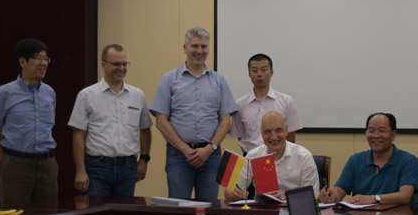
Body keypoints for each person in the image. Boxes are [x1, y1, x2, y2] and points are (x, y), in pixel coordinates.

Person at [150, 28, 238, 199]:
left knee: (208, 208)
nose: (199, 51)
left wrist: (209, 149)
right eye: (195, 46)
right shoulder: (169, 79)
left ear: (208, 49)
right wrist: (184, 149)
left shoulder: (219, 81)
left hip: (211, 156)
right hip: (178, 156)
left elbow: (225, 121)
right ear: (185, 48)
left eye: (203, 47)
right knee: (179, 209)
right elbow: (161, 121)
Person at [68, 44, 152, 197]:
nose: (121, 68)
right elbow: (78, 135)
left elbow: (145, 129)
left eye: (124, 64)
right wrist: (80, 171)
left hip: (128, 167)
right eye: (116, 64)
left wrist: (144, 160)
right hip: (97, 167)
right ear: (103, 64)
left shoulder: (137, 95)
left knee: (124, 210)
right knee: (97, 210)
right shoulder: (87, 95)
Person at [0, 38, 58, 208]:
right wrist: (7, 161)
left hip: (47, 164)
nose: (43, 63)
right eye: (38, 58)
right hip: (16, 164)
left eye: (46, 59)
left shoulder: (50, 92)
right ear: (22, 62)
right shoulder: (4, 93)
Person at [320, 113, 418, 206]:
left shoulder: (408, 160)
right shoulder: (355, 160)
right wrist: (331, 195)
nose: (375, 136)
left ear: (393, 135)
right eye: (371, 131)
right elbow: (339, 192)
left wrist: (373, 199)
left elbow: (405, 196)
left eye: (381, 131)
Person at [224, 111, 319, 203]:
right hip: (263, 211)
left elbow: (312, 196)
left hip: (294, 211)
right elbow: (229, 191)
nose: (273, 137)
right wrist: (233, 194)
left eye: (278, 130)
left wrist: (286, 198)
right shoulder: (253, 156)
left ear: (286, 130)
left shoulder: (303, 157)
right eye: (268, 132)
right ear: (261, 133)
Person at [230, 54, 302, 154]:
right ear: (249, 74)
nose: (259, 74)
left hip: (279, 157)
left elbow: (290, 136)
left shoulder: (286, 101)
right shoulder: (240, 105)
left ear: (271, 72)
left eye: (264, 70)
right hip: (250, 157)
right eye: (255, 70)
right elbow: (240, 136)